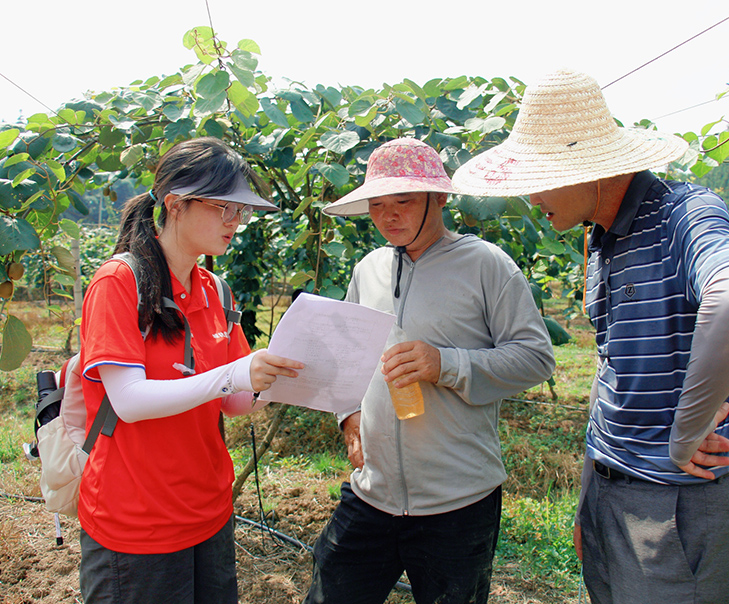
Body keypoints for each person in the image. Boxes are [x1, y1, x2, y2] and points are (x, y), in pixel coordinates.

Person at [453, 69, 729, 604]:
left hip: (672, 505)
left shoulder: (681, 214)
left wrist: (687, 430)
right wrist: (589, 499)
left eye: (539, 177)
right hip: (611, 486)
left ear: (584, 169)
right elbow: (611, 369)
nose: (532, 197)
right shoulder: (602, 240)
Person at [303, 138, 555, 604]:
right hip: (372, 492)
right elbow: (350, 357)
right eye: (377, 204)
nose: (388, 215)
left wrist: (447, 363)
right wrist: (348, 416)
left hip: (457, 503)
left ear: (439, 199)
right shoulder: (370, 268)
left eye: (404, 200)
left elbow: (536, 357)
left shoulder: (486, 266)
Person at [78, 137, 304, 604]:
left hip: (210, 512)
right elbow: (130, 401)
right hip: (137, 521)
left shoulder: (215, 291)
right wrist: (236, 375)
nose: (236, 224)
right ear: (176, 204)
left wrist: (281, 374)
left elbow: (236, 404)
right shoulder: (119, 283)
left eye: (242, 212)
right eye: (226, 209)